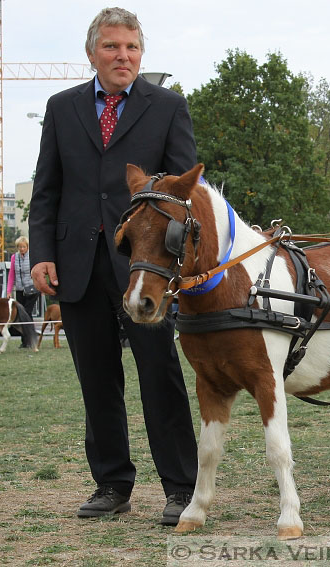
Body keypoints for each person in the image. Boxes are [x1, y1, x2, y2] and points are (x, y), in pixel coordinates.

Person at [28, 7, 198, 526]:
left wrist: (176, 258)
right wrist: (42, 254)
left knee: (159, 373)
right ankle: (112, 484)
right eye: (112, 47)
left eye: (131, 48)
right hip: (75, 265)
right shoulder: (61, 108)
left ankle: (180, 488)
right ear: (92, 53)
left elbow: (182, 192)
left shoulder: (168, 107)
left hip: (144, 265)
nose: (123, 56)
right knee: (97, 379)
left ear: (141, 54)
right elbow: (46, 189)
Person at [7, 236, 41, 348]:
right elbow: (12, 275)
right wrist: (9, 291)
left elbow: (38, 272)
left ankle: (31, 339)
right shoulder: (14, 258)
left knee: (27, 312)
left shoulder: (32, 256)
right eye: (19, 247)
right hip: (20, 290)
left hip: (32, 289)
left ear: (27, 247)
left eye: (23, 247)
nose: (21, 249)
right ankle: (25, 341)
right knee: (21, 314)